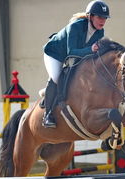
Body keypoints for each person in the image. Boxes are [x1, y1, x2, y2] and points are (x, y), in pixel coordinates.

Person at [42, 0, 110, 128]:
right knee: (56, 77)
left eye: (105, 18)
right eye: (99, 17)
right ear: (90, 16)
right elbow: (71, 52)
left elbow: (89, 54)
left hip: (74, 55)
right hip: (55, 54)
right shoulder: (76, 26)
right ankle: (48, 114)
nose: (102, 21)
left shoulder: (100, 32)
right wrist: (91, 50)